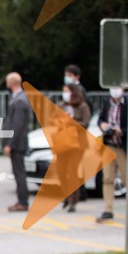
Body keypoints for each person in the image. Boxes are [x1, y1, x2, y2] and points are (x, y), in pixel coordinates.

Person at [97, 87, 128, 223]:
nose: (114, 90)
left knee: (126, 179)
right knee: (107, 178)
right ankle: (108, 210)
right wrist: (103, 125)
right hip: (109, 145)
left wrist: (121, 131)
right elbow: (100, 119)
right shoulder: (107, 102)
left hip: (123, 146)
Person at [55, 83, 90, 213]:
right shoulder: (61, 105)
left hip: (77, 144)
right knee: (61, 172)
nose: (65, 94)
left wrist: (71, 121)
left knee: (72, 172)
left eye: (67, 91)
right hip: (63, 143)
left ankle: (73, 201)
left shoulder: (82, 106)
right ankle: (66, 195)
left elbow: (85, 123)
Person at [2, 72, 32, 212]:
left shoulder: (19, 100)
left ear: (11, 83)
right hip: (18, 142)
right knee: (18, 172)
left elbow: (17, 125)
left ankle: (23, 201)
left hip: (18, 143)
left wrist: (10, 144)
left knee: (19, 173)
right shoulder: (19, 98)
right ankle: (21, 200)